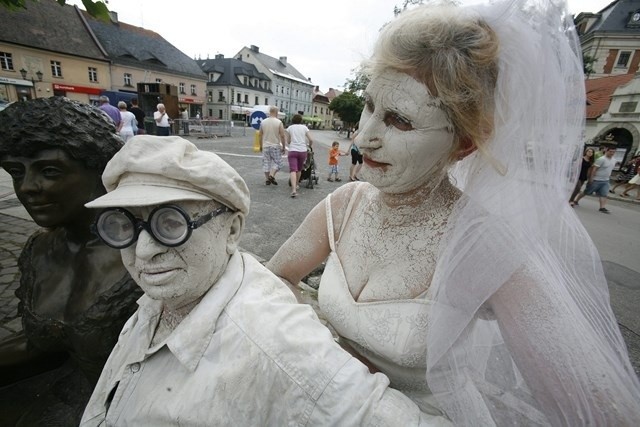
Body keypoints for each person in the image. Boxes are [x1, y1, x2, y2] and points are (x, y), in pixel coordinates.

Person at [267, 1, 640, 425]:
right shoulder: (343, 204)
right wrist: (320, 354)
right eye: (369, 106)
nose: (363, 137)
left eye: (400, 121)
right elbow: (275, 279)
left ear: (463, 143)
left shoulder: (484, 245)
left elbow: (599, 411)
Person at [80, 135, 445, 426]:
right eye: (123, 225)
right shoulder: (171, 295)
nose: (143, 251)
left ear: (232, 230)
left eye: (170, 224)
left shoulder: (276, 346)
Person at [0, 97, 141, 426]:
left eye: (49, 171)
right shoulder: (39, 250)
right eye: (15, 172)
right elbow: (41, 344)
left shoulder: (148, 256)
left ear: (100, 168)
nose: (27, 188)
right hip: (65, 397)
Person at [573, 145, 617, 213]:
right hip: (596, 179)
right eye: (610, 151)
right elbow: (594, 169)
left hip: (606, 180)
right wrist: (591, 178)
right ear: (606, 151)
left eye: (613, 152)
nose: (612, 153)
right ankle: (576, 200)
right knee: (587, 192)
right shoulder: (601, 159)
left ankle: (602, 207)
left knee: (604, 194)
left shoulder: (614, 160)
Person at [286, 114, 313, 198]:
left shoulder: (290, 128)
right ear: (301, 120)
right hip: (302, 150)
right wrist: (309, 146)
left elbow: (288, 141)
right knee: (299, 169)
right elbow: (311, 139)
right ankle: (297, 184)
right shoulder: (304, 128)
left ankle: (293, 189)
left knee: (293, 170)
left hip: (293, 150)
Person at [259, 106, 286, 185]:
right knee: (279, 163)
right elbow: (282, 136)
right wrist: (284, 147)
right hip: (275, 146)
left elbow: (260, 135)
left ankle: (267, 179)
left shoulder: (263, 122)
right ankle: (271, 175)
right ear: (276, 112)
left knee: (266, 163)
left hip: (265, 146)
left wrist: (261, 145)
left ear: (270, 112)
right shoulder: (279, 122)